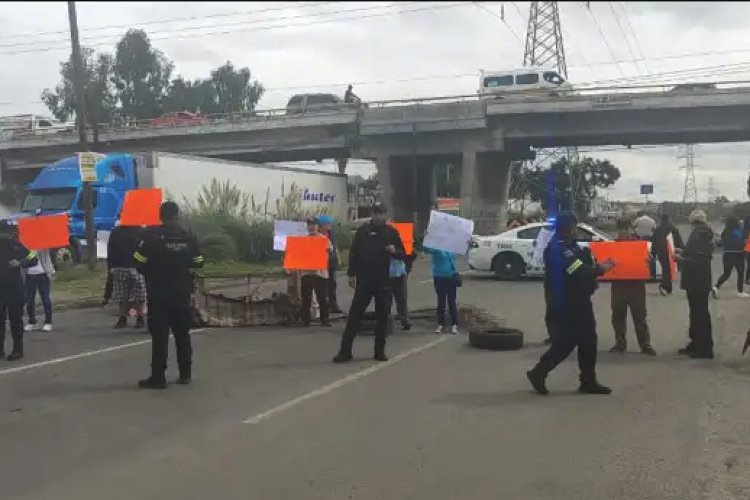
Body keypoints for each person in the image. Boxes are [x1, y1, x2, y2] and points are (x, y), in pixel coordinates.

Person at [526, 211, 615, 396]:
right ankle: (538, 372)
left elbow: (582, 263)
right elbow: (576, 270)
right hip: (565, 302)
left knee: (588, 341)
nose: (576, 230)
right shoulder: (558, 248)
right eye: (574, 226)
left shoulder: (570, 245)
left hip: (579, 299)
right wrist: (601, 269)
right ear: (568, 227)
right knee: (565, 343)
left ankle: (588, 381)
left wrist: (592, 260)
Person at [133, 202, 204, 389]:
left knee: (160, 336)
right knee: (183, 334)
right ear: (177, 215)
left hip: (158, 293)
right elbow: (199, 262)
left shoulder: (151, 237)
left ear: (160, 216)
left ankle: (158, 377)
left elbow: (138, 262)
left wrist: (151, 270)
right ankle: (185, 374)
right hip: (181, 292)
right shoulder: (188, 236)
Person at [332, 204, 405, 363]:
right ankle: (345, 351)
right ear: (371, 214)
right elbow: (354, 253)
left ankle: (379, 351)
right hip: (364, 280)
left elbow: (403, 254)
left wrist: (395, 251)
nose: (378, 216)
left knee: (383, 317)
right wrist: (351, 274)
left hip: (384, 281)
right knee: (354, 316)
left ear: (385, 215)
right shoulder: (362, 231)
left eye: (381, 214)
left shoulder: (391, 232)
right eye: (375, 213)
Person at [609, 219, 656, 355]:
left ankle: (645, 344)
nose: (624, 232)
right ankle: (620, 343)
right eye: (621, 229)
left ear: (631, 229)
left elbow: (651, 265)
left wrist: (649, 262)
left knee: (640, 316)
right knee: (618, 316)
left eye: (626, 228)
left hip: (636, 286)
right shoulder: (613, 245)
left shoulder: (641, 245)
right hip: (619, 285)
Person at [675, 209, 715, 359]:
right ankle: (696, 343)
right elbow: (696, 254)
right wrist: (683, 251)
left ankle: (704, 347)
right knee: (697, 313)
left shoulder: (699, 235)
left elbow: (699, 261)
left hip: (697, 280)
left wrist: (681, 260)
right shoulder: (703, 234)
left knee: (700, 314)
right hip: (699, 280)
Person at [0, 220, 38, 361]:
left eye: (7, 232)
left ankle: (18, 350)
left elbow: (33, 258)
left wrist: (21, 262)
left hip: (14, 289)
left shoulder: (17, 246)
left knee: (16, 320)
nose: (5, 235)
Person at [107, 222, 146, 329]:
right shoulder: (140, 231)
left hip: (125, 266)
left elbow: (110, 250)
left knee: (125, 295)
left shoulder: (116, 232)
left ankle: (131, 318)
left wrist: (111, 266)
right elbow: (111, 250)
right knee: (138, 295)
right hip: (132, 266)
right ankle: (136, 318)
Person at [300, 217, 332, 327]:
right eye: (309, 225)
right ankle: (305, 320)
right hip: (306, 272)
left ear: (318, 226)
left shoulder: (324, 240)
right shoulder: (303, 240)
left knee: (322, 297)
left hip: (320, 273)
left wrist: (326, 250)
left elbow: (330, 251)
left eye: (314, 224)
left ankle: (325, 319)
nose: (311, 227)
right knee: (306, 298)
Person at [424, 246, 460, 334]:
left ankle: (454, 324)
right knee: (441, 301)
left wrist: (469, 244)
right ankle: (440, 324)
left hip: (451, 277)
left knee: (452, 302)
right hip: (439, 277)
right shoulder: (436, 249)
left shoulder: (452, 248)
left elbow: (463, 250)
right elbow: (426, 249)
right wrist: (426, 238)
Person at [713, 215, 748, 298]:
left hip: (727, 254)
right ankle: (740, 291)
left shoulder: (726, 230)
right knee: (740, 273)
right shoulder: (739, 231)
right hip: (738, 254)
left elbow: (720, 243)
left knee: (726, 274)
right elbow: (742, 242)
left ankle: (716, 287)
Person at [650, 213, 684, 296]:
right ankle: (664, 286)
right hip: (671, 251)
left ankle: (667, 287)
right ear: (669, 219)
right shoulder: (673, 228)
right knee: (668, 269)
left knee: (666, 269)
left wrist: (653, 253)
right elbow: (678, 240)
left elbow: (653, 241)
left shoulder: (658, 229)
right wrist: (682, 250)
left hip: (661, 252)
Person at [23, 248, 55, 332]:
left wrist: (35, 252)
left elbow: (46, 253)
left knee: (45, 299)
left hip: (43, 275)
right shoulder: (24, 246)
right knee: (29, 299)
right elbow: (25, 259)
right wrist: (29, 254)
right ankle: (32, 322)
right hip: (29, 275)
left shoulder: (43, 245)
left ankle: (48, 322)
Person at [317, 215, 342, 314]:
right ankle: (324, 306)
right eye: (328, 223)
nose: (330, 225)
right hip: (321, 264)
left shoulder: (331, 234)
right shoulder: (317, 235)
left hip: (331, 262)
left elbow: (334, 248)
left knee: (332, 285)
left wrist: (336, 258)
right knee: (322, 286)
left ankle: (333, 305)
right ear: (322, 225)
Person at [390, 253, 411, 331]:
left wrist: (408, 268)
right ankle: (387, 322)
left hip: (400, 274)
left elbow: (411, 254)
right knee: (386, 299)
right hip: (386, 274)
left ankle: (404, 320)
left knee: (402, 298)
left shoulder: (403, 242)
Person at [743, 215, 750, 285]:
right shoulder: (745, 229)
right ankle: (747, 279)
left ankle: (747, 279)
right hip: (747, 249)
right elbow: (744, 240)